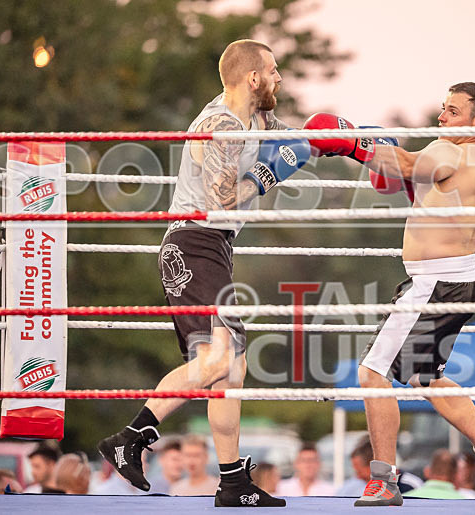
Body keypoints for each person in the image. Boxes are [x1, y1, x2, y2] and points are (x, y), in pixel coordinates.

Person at [97, 39, 313, 508]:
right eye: (273, 71)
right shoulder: (220, 125)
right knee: (221, 359)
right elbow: (222, 198)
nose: (279, 79)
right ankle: (130, 437)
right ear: (253, 77)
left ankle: (233, 481)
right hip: (194, 242)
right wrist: (270, 175)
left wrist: (343, 142)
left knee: (230, 370)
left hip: (211, 246)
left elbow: (298, 141)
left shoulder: (257, 118)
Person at [304, 82, 475, 507]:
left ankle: (383, 480)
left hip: (432, 284)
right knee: (426, 377)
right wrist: (380, 156)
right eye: (443, 108)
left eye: (452, 111)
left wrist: (350, 142)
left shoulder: (447, 150)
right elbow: (420, 184)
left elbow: (402, 163)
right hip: (462, 280)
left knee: (372, 373)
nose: (442, 118)